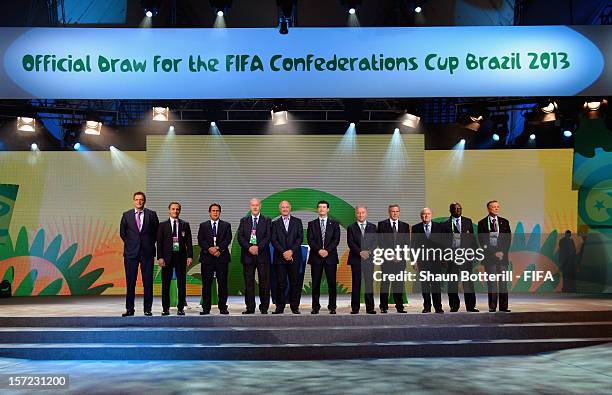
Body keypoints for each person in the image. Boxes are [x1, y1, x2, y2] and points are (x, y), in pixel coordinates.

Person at [119, 191, 159, 317]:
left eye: (141, 199)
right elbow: (122, 233)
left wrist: (147, 244)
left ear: (144, 201)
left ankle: (148, 309)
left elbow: (156, 233)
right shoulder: (126, 215)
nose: (139, 201)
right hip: (131, 254)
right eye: (136, 199)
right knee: (130, 282)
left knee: (148, 282)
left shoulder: (152, 214)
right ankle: (130, 309)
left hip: (147, 253)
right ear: (133, 201)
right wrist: (132, 244)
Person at [157, 202, 193, 316]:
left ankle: (181, 308)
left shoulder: (185, 224)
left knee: (181, 284)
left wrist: (190, 256)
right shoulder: (162, 225)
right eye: (173, 209)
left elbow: (189, 242)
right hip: (166, 258)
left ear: (180, 210)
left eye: (177, 209)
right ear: (169, 210)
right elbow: (159, 243)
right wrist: (160, 257)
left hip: (181, 257)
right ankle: (165, 308)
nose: (175, 211)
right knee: (166, 284)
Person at [237, 198, 272, 314]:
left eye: (257, 205)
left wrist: (258, 247)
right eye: (253, 205)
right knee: (249, 283)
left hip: (262, 256)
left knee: (264, 283)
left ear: (260, 206)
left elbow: (268, 236)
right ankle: (250, 308)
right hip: (248, 256)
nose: (255, 207)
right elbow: (240, 237)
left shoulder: (267, 220)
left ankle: (264, 308)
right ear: (250, 206)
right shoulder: (244, 220)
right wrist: (249, 247)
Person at [443, 202, 479, 312]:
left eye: (460, 208)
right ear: (450, 210)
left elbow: (472, 239)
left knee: (468, 282)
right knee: (452, 282)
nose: (458, 210)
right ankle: (454, 306)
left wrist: (475, 252)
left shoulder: (467, 221)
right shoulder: (445, 225)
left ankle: (471, 306)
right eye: (455, 208)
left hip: (466, 257)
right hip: (451, 257)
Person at [477, 200, 512, 313]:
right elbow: (482, 241)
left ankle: (503, 307)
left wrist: (502, 252)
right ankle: (492, 306)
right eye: (494, 207)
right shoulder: (482, 223)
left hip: (502, 258)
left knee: (503, 282)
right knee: (492, 283)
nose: (496, 208)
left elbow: (508, 239)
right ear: (488, 209)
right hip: (489, 258)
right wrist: (493, 253)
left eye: (498, 207)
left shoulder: (504, 222)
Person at [307, 200, 341, 314]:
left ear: (328, 209)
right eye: (320, 207)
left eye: (324, 207)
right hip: (316, 258)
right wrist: (319, 250)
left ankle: (332, 307)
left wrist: (327, 250)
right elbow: (310, 239)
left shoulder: (335, 224)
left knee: (332, 284)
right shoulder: (311, 224)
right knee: (315, 284)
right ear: (317, 209)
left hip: (330, 257)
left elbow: (336, 240)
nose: (322, 209)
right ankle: (315, 307)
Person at [198, 203, 232, 315]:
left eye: (217, 210)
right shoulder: (203, 225)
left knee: (222, 284)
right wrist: (209, 249)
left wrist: (217, 248)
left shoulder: (226, 225)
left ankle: (223, 307)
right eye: (213, 210)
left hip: (221, 258)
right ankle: (206, 308)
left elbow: (228, 239)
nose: (215, 212)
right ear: (209, 212)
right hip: (207, 259)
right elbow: (201, 240)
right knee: (206, 284)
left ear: (220, 212)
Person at [271, 200, 304, 314]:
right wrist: (284, 252)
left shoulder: (298, 222)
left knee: (295, 282)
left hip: (294, 257)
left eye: (287, 207)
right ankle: (280, 307)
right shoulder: (274, 223)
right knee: (281, 283)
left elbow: (300, 238)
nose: (285, 209)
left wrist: (290, 251)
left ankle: (295, 307)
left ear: (290, 208)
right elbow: (274, 240)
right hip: (280, 258)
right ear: (280, 209)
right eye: (282, 207)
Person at [377, 204, 409, 313]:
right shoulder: (382, 225)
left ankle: (399, 307)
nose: (394, 213)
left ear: (399, 212)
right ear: (389, 212)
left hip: (400, 261)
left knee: (398, 284)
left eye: (396, 211)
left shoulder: (405, 226)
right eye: (392, 211)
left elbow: (406, 243)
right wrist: (390, 254)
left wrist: (399, 255)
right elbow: (380, 242)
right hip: (386, 260)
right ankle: (383, 306)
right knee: (385, 283)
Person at [412, 208, 444, 313]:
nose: (426, 216)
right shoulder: (416, 228)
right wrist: (414, 261)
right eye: (424, 214)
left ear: (431, 215)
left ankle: (438, 307)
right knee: (425, 285)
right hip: (422, 261)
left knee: (436, 285)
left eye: (428, 214)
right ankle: (427, 307)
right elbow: (413, 246)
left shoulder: (439, 227)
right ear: (421, 216)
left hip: (436, 261)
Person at [346, 205, 377, 314]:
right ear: (356, 214)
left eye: (363, 212)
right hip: (356, 259)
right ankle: (355, 308)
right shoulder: (351, 227)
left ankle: (370, 308)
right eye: (358, 213)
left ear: (366, 213)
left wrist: (368, 252)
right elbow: (350, 242)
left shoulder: (373, 227)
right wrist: (360, 252)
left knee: (369, 283)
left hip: (369, 259)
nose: (361, 215)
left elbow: (375, 242)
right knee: (356, 283)